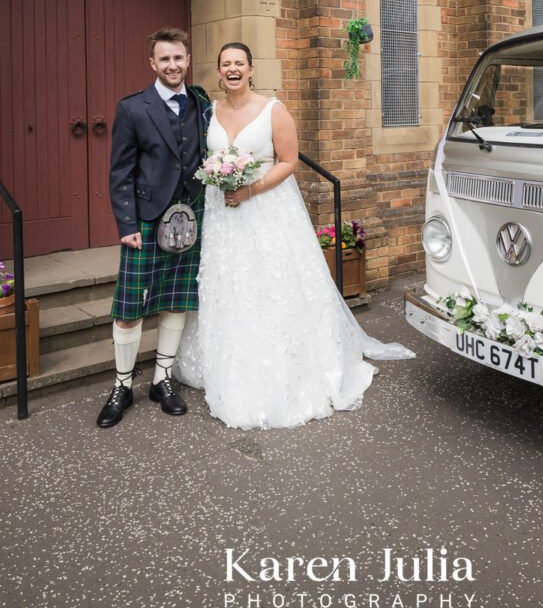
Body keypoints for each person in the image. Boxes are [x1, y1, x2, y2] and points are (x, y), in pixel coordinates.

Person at [176, 42, 413, 429]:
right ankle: (232, 362)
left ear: (251, 69)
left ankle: (287, 367)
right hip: (224, 217)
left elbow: (288, 161)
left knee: (273, 284)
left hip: (266, 209)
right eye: (225, 65)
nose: (232, 69)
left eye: (239, 63)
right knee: (230, 285)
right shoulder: (210, 113)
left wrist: (249, 189)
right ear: (218, 73)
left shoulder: (274, 110)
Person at [97, 27, 211, 429]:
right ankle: (122, 385)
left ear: (187, 59)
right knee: (130, 308)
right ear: (153, 64)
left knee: (176, 300)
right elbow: (120, 170)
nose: (173, 65)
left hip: (191, 213)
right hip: (146, 218)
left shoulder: (200, 101)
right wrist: (126, 221)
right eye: (165, 59)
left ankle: (161, 380)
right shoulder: (133, 108)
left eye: (178, 58)